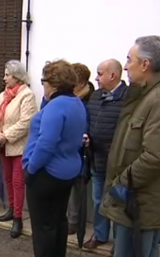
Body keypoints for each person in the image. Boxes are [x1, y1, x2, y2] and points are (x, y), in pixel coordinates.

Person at [100, 35, 160, 257]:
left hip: (140, 203)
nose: (126, 66)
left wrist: (122, 181)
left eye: (129, 59)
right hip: (133, 201)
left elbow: (158, 156)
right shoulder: (144, 96)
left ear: (145, 64)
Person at [21, 60, 87, 257]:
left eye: (44, 81)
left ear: (54, 83)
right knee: (58, 220)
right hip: (68, 170)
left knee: (43, 226)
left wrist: (31, 169)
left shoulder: (56, 107)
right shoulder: (76, 103)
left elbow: (46, 143)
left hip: (47, 173)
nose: (43, 86)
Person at [83, 59, 127, 252]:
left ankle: (119, 243)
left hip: (118, 163)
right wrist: (86, 135)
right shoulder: (95, 96)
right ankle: (100, 235)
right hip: (97, 158)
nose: (96, 78)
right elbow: (89, 119)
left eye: (100, 73)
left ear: (112, 75)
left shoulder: (128, 98)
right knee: (98, 199)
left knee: (118, 202)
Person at [0, 60, 37, 238]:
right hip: (3, 146)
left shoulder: (27, 95)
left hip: (19, 146)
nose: (4, 78)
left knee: (18, 182)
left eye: (7, 75)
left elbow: (26, 122)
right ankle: (11, 208)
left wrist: (6, 135)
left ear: (17, 76)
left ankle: (18, 218)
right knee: (7, 178)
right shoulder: (4, 95)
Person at [66, 63, 94, 235]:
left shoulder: (90, 99)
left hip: (82, 150)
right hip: (66, 148)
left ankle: (74, 221)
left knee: (77, 187)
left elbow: (90, 122)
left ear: (82, 82)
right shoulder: (67, 97)